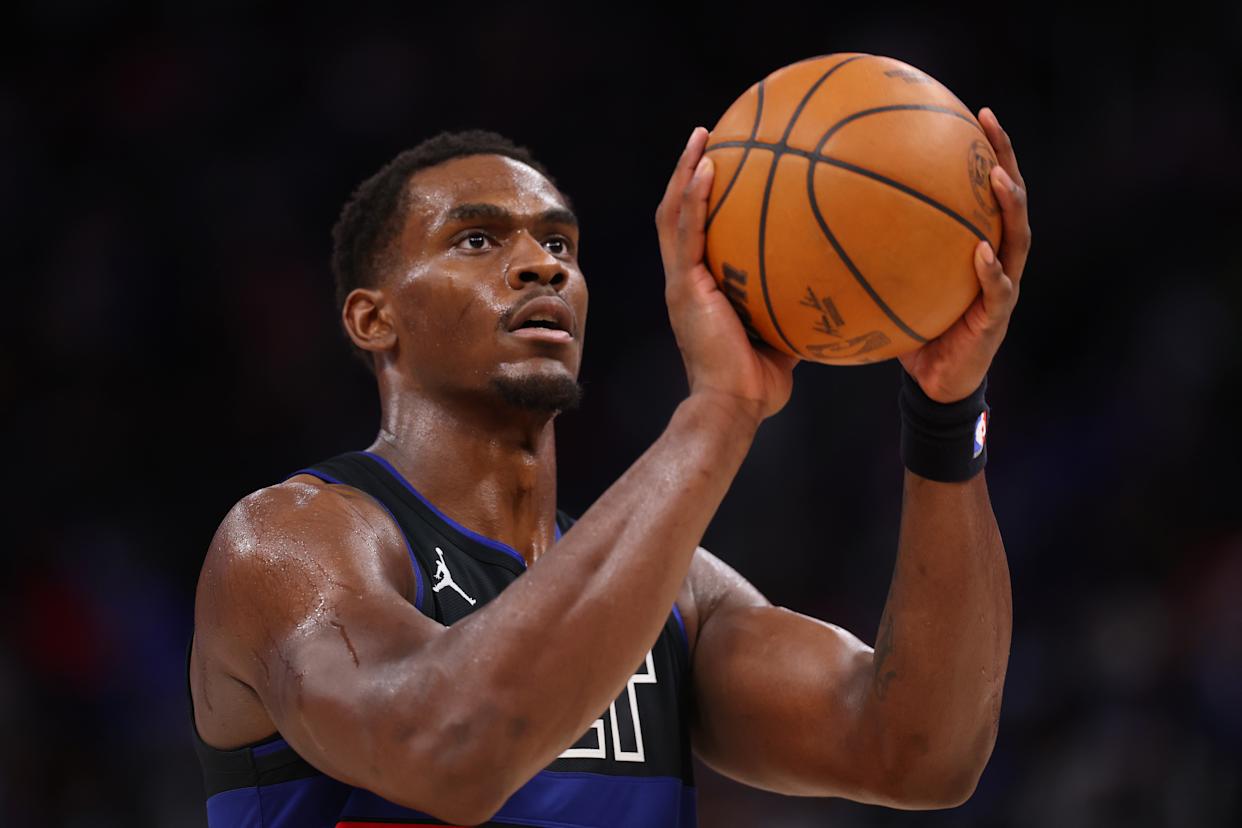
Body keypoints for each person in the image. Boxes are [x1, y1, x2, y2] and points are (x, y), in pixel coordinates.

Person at [189, 100, 1030, 826]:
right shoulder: (288, 545)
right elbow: (448, 748)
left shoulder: (676, 596)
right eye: (477, 238)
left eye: (560, 241)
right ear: (374, 320)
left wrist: (948, 413)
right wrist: (720, 412)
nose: (540, 262)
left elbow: (922, 752)